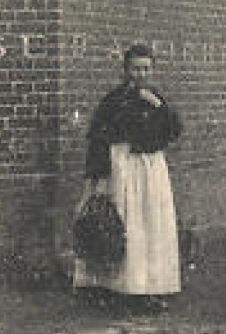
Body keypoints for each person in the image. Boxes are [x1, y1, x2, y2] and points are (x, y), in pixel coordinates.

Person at [73, 44, 183, 311]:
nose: (140, 74)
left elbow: (174, 130)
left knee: (151, 223)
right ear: (125, 70)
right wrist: (96, 178)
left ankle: (150, 287)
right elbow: (98, 140)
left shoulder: (157, 100)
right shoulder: (113, 101)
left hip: (151, 167)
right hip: (122, 166)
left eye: (146, 68)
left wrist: (158, 106)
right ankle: (116, 286)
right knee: (124, 221)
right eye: (135, 68)